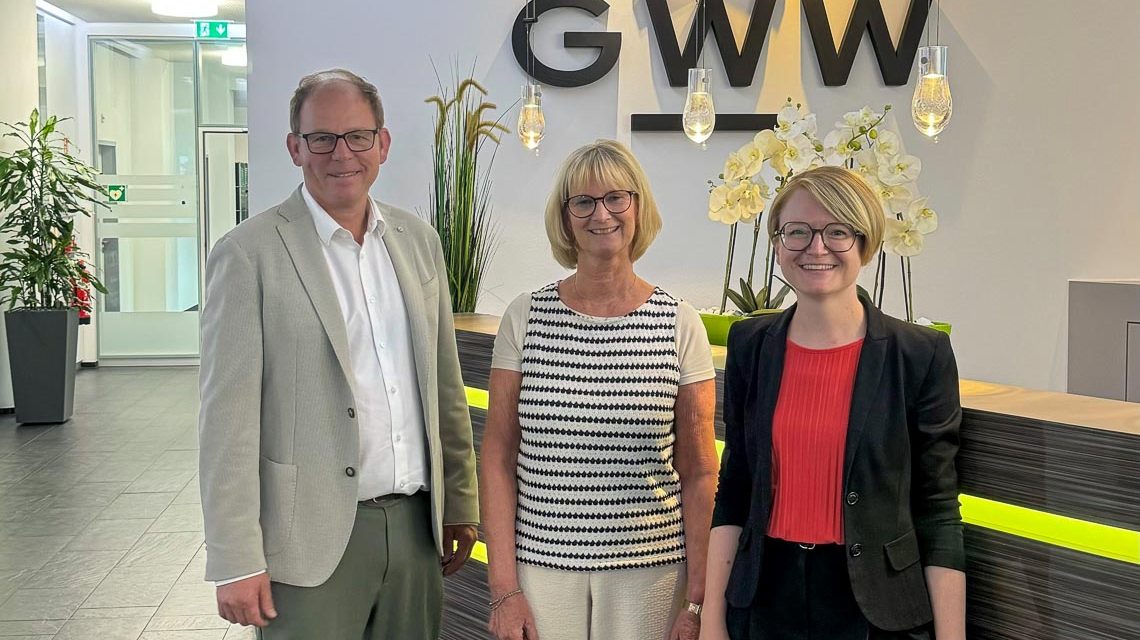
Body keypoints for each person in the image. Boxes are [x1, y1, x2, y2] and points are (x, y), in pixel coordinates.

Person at [198, 68, 479, 640]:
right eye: (321, 138)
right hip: (307, 538)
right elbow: (226, 423)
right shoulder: (248, 254)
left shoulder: (418, 241)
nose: (340, 153)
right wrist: (235, 558)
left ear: (383, 143)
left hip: (414, 530)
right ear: (294, 147)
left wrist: (461, 498)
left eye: (357, 136)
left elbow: (444, 385)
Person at [700, 165, 966, 640]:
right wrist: (713, 620)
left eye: (837, 232)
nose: (816, 248)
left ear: (865, 243)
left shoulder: (918, 355)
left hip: (873, 608)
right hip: (764, 597)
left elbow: (937, 509)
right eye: (797, 232)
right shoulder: (751, 344)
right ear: (778, 244)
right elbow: (736, 486)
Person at [481, 139, 720, 640]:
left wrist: (698, 601)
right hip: (541, 569)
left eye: (617, 198)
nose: (601, 214)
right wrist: (504, 589)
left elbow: (699, 473)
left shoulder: (679, 323)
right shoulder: (525, 317)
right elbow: (498, 456)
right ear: (566, 218)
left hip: (650, 574)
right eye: (583, 202)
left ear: (638, 207)